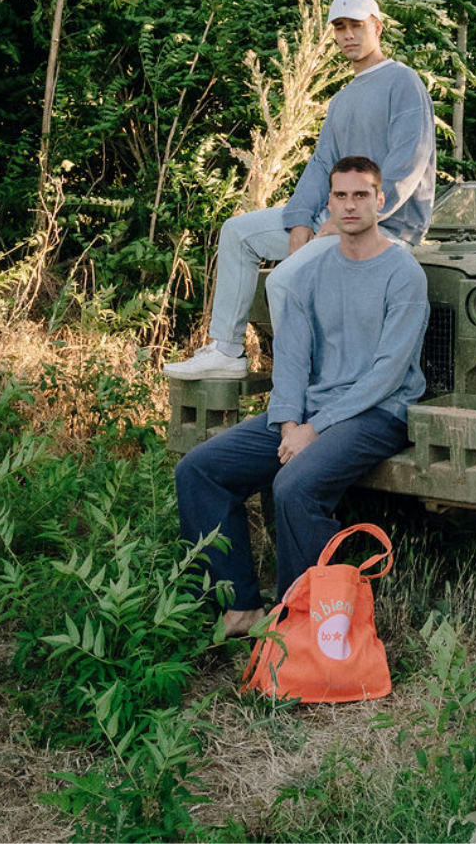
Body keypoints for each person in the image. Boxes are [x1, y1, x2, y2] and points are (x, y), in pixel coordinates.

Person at [175, 156, 430, 635]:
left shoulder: (403, 273)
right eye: (340, 196)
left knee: (295, 487)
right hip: (311, 409)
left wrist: (315, 427)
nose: (350, 205)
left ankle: (304, 625)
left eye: (361, 194)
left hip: (378, 412)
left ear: (380, 200)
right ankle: (240, 607)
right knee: (199, 470)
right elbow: (290, 359)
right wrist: (290, 421)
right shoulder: (308, 272)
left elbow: (388, 374)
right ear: (328, 204)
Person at [166, 0, 436, 379]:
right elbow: (322, 164)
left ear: (377, 26)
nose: (348, 35)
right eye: (340, 28)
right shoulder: (343, 100)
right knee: (238, 233)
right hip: (337, 216)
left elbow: (407, 166)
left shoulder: (403, 83)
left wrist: (345, 220)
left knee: (284, 281)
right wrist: (299, 220)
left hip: (388, 227)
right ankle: (226, 350)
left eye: (357, 26)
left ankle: (304, 384)